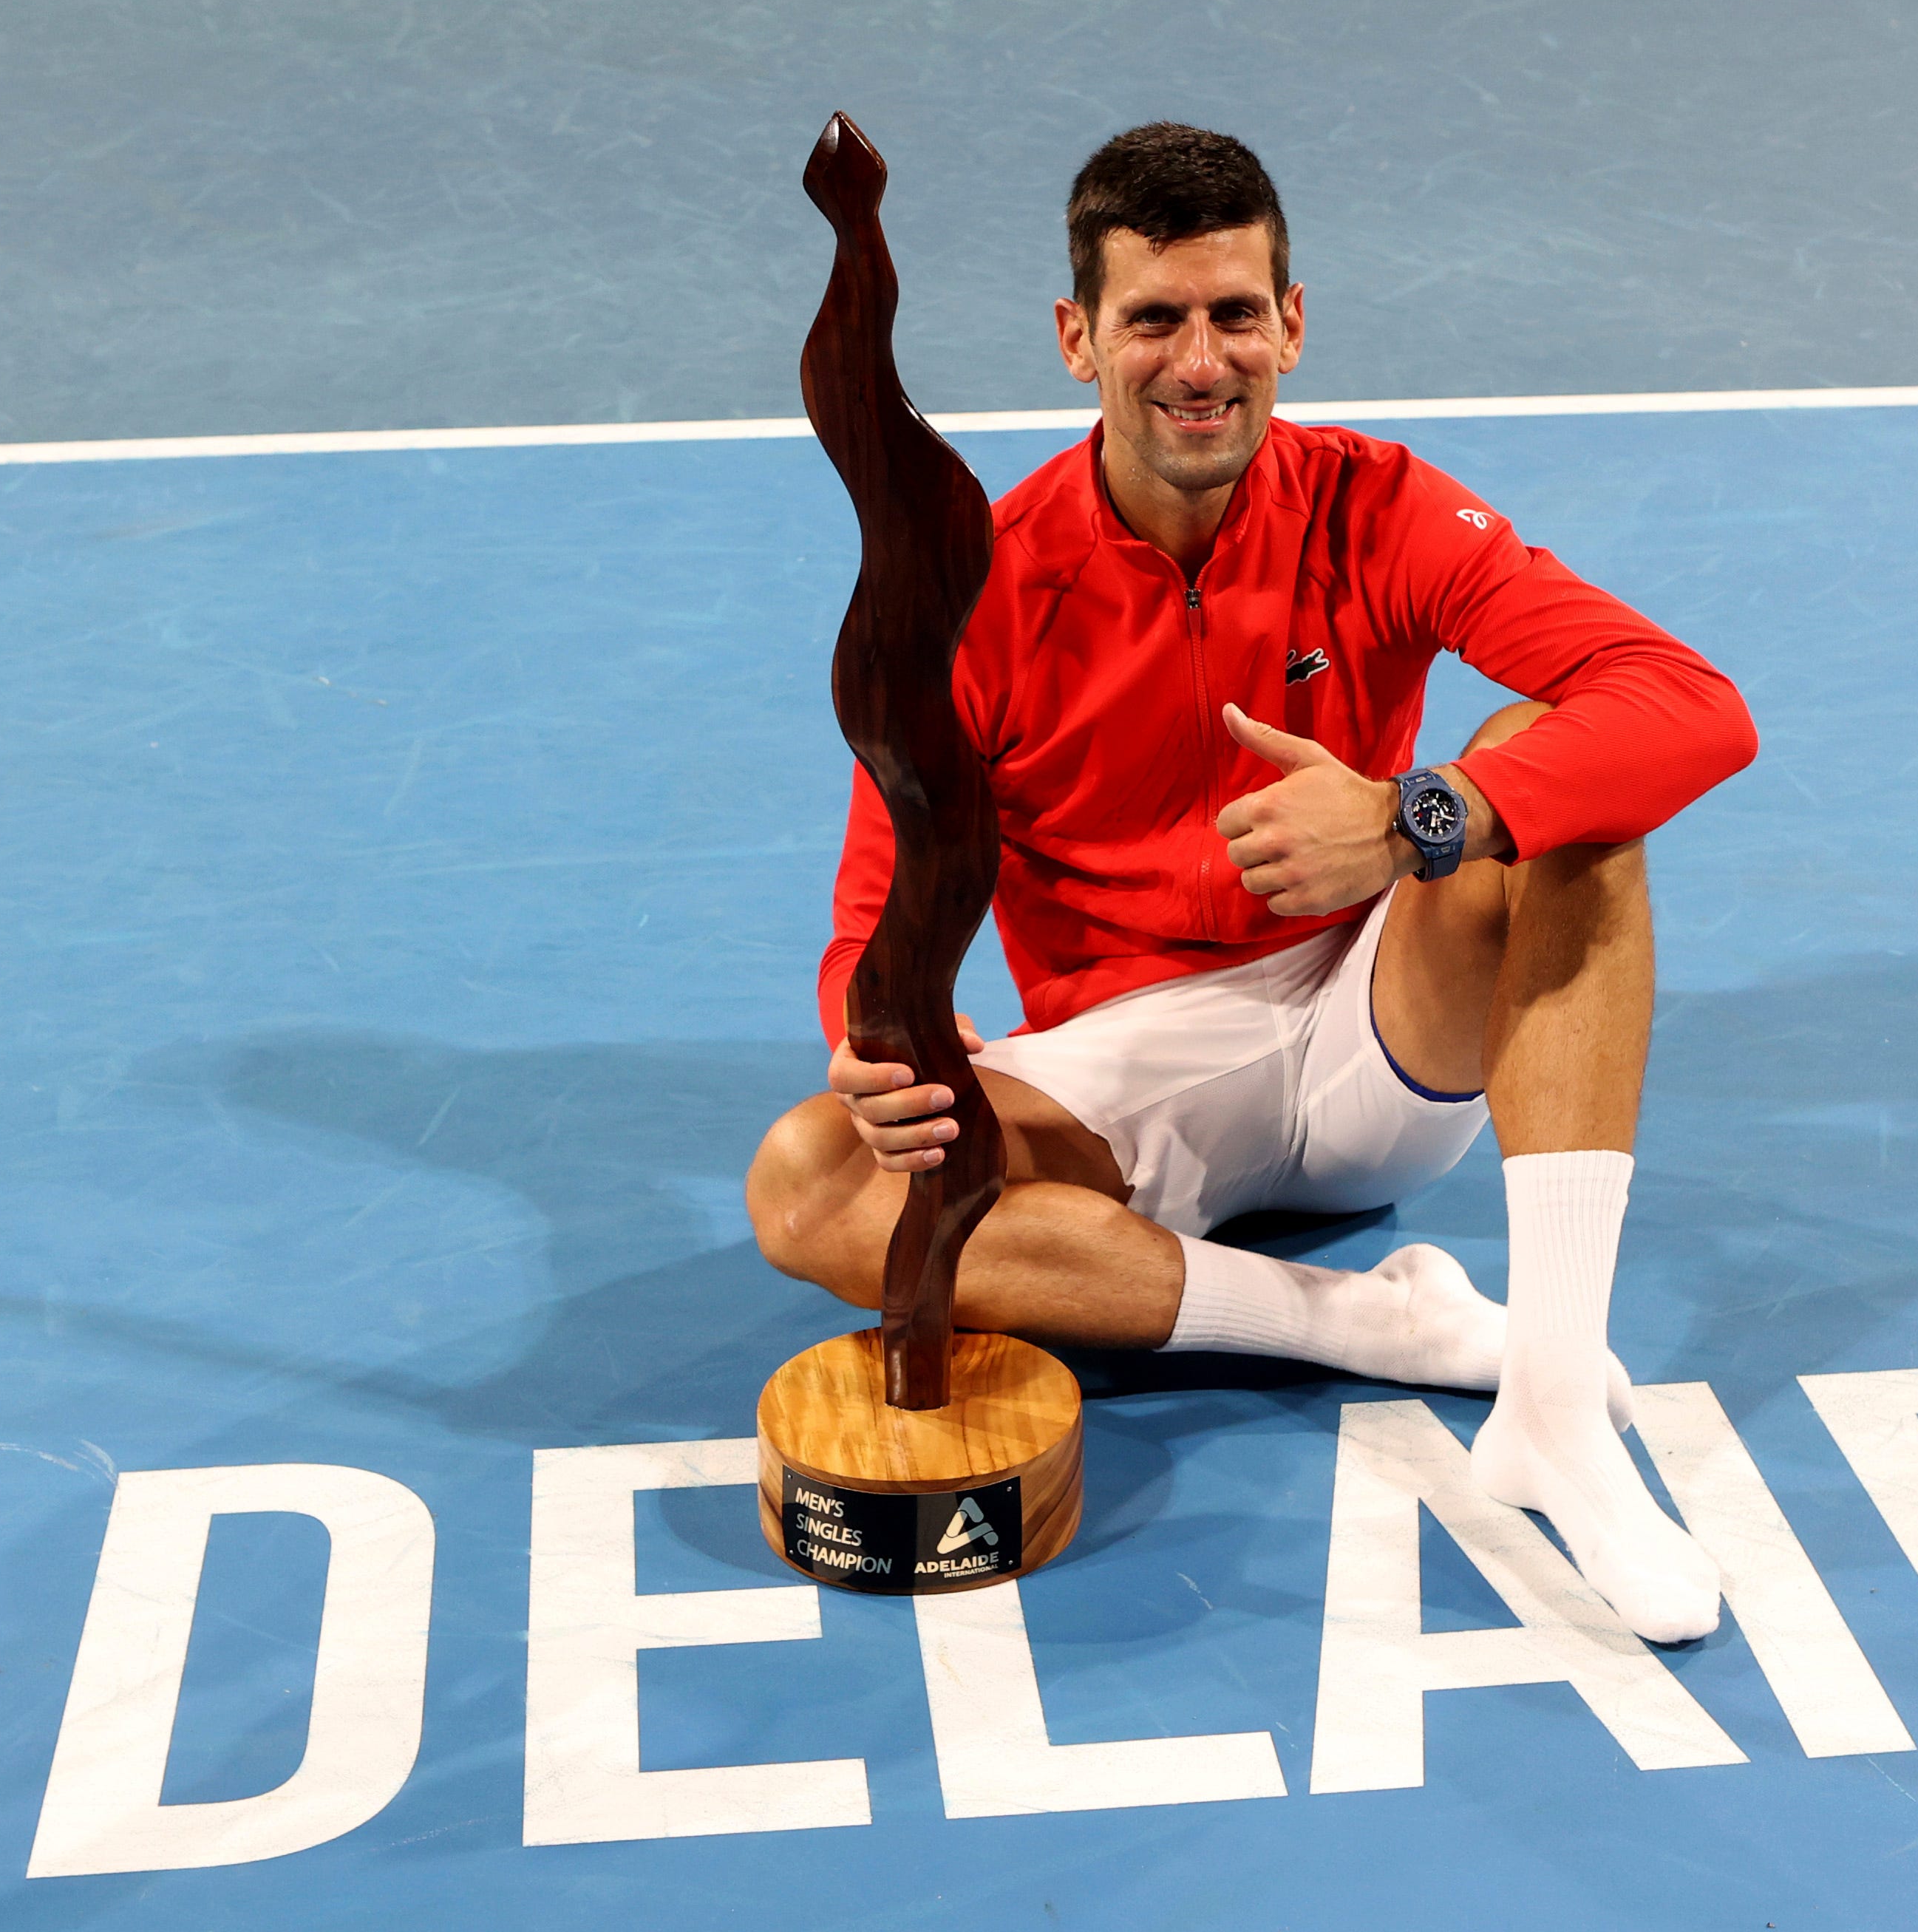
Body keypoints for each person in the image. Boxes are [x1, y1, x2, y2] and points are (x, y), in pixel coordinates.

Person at [744, 123, 1757, 1642]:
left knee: (1560, 780)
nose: (1198, 360)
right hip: (1126, 1076)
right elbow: (869, 905)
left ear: (1292, 322)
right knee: (807, 1181)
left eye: (1232, 313)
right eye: (1153, 318)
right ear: (1078, 338)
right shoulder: (975, 586)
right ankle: (1368, 1326)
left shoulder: (1383, 505)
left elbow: (1689, 706)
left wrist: (1422, 817)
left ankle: (1552, 1407)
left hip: (1377, 1029)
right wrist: (871, 1042)